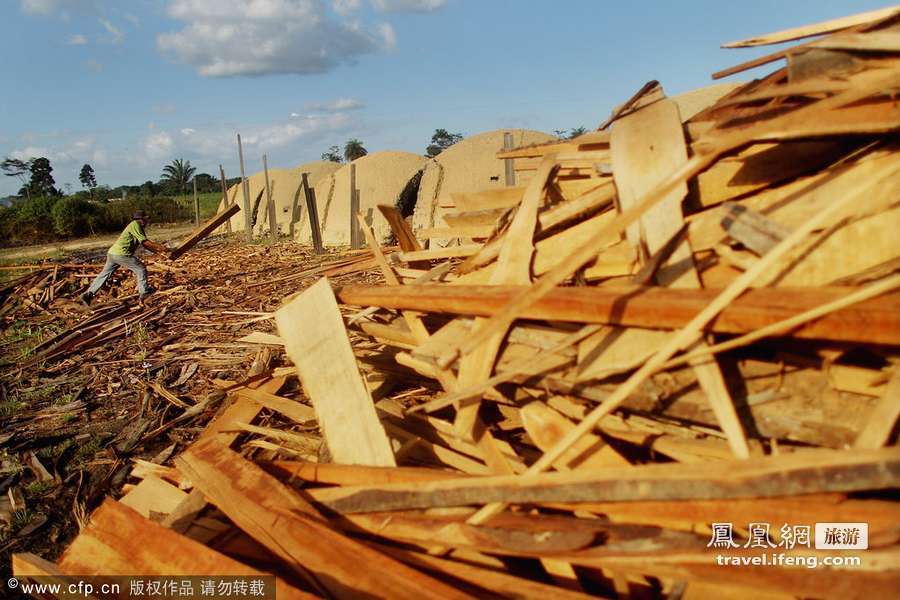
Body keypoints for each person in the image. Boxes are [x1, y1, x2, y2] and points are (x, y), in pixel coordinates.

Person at [81, 210, 171, 305]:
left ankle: (88, 294)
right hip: (121, 254)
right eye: (146, 219)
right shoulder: (135, 225)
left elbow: (145, 245)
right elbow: (145, 242)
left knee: (104, 274)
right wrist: (161, 247)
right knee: (141, 269)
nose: (147, 221)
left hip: (112, 253)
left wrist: (158, 252)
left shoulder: (135, 226)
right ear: (142, 219)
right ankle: (144, 293)